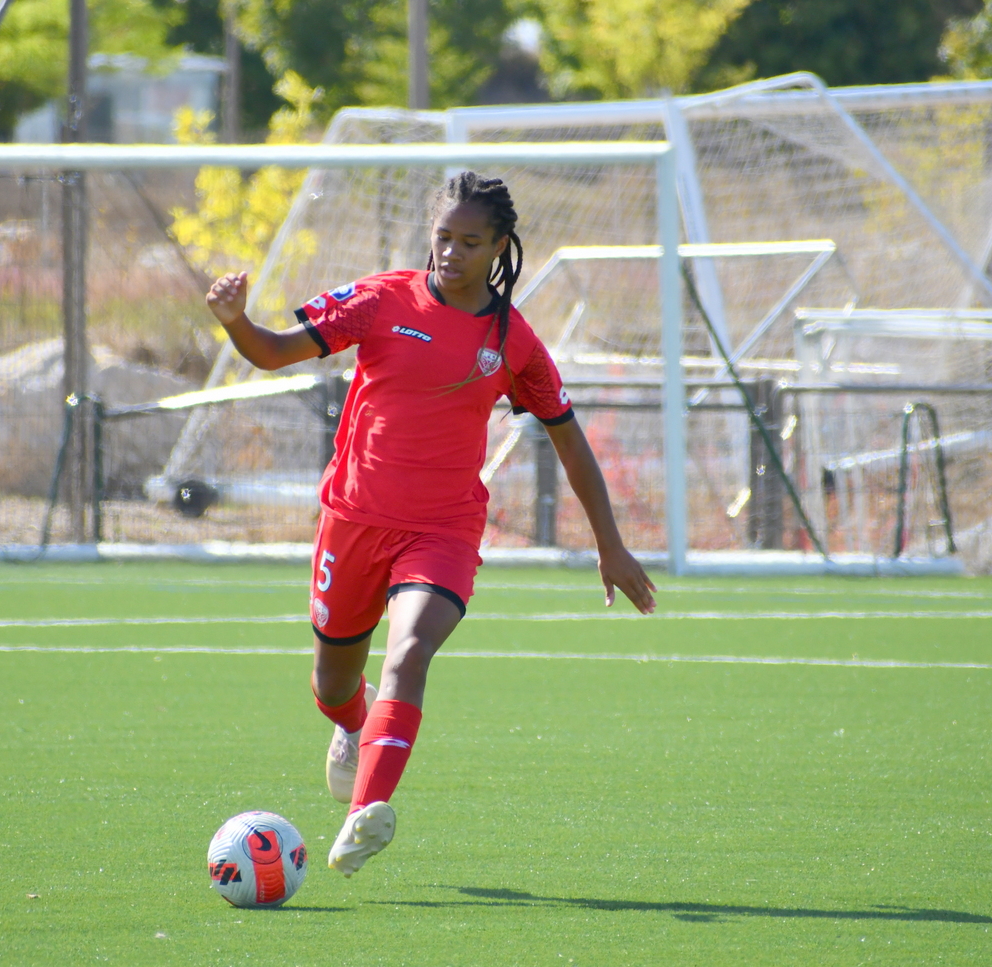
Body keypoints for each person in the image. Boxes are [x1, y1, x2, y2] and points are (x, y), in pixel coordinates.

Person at [206, 170, 655, 877]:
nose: (451, 252)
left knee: (410, 649)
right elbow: (271, 350)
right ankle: (356, 723)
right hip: (352, 520)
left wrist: (611, 545)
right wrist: (235, 319)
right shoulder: (382, 299)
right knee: (331, 683)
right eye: (443, 237)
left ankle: (364, 813)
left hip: (442, 532)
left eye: (470, 242)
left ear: (499, 245)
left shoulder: (514, 342)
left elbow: (567, 436)